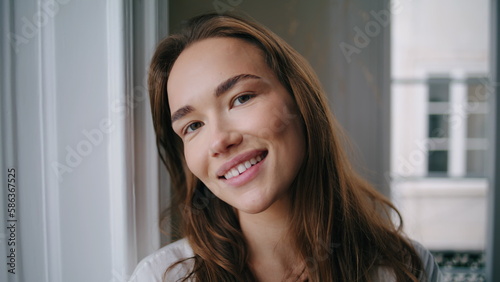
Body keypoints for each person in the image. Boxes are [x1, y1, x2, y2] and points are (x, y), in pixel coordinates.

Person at [130, 13, 442, 282]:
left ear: (299, 98)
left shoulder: (406, 268)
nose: (219, 140)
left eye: (241, 98)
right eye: (193, 126)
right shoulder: (159, 277)